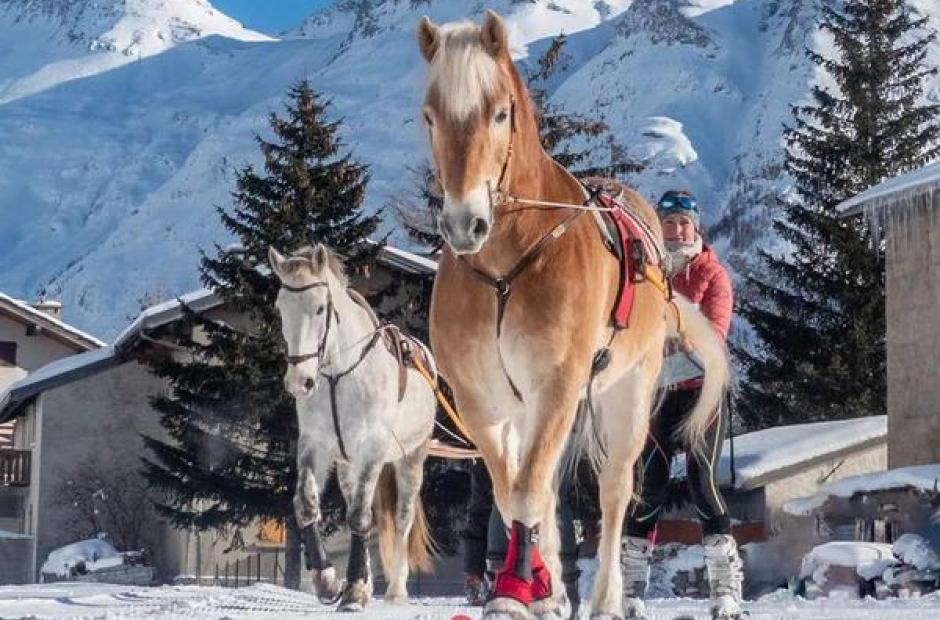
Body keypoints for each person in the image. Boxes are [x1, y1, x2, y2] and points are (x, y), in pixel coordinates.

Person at [622, 190, 741, 620]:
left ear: (696, 228)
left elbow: (711, 340)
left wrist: (664, 339)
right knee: (647, 486)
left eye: (683, 223)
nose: (676, 231)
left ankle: (725, 588)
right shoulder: (647, 273)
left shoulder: (713, 275)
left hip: (699, 392)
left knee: (702, 482)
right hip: (655, 394)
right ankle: (632, 589)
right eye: (668, 223)